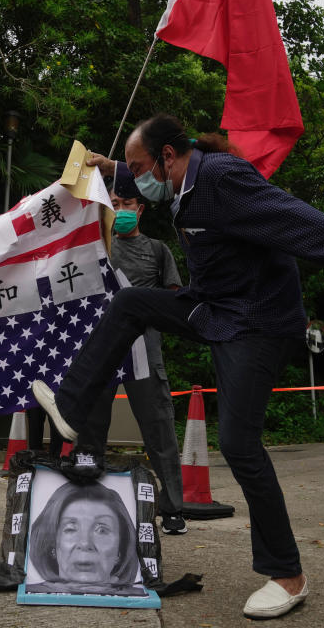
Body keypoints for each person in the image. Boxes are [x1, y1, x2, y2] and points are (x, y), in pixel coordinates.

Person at [32, 113, 324, 619]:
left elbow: (303, 224)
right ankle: (70, 405)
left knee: (239, 443)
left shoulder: (223, 178)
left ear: (169, 157)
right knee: (129, 305)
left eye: (140, 167)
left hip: (258, 323)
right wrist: (112, 167)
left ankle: (287, 575)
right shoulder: (181, 177)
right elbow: (140, 175)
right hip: (215, 309)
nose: (136, 180)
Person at [86, 181, 187, 535]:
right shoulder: (93, 247)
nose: (119, 209)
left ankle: (173, 508)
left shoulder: (158, 251)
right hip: (99, 347)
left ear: (140, 208)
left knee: (158, 427)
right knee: (91, 425)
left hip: (144, 348)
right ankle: (86, 500)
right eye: (112, 203)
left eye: (126, 202)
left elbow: (176, 301)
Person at [27, 480, 143, 596]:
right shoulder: (29, 592)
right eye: (70, 529)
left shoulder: (140, 596)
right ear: (52, 546)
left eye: (102, 530)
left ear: (120, 550)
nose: (85, 543)